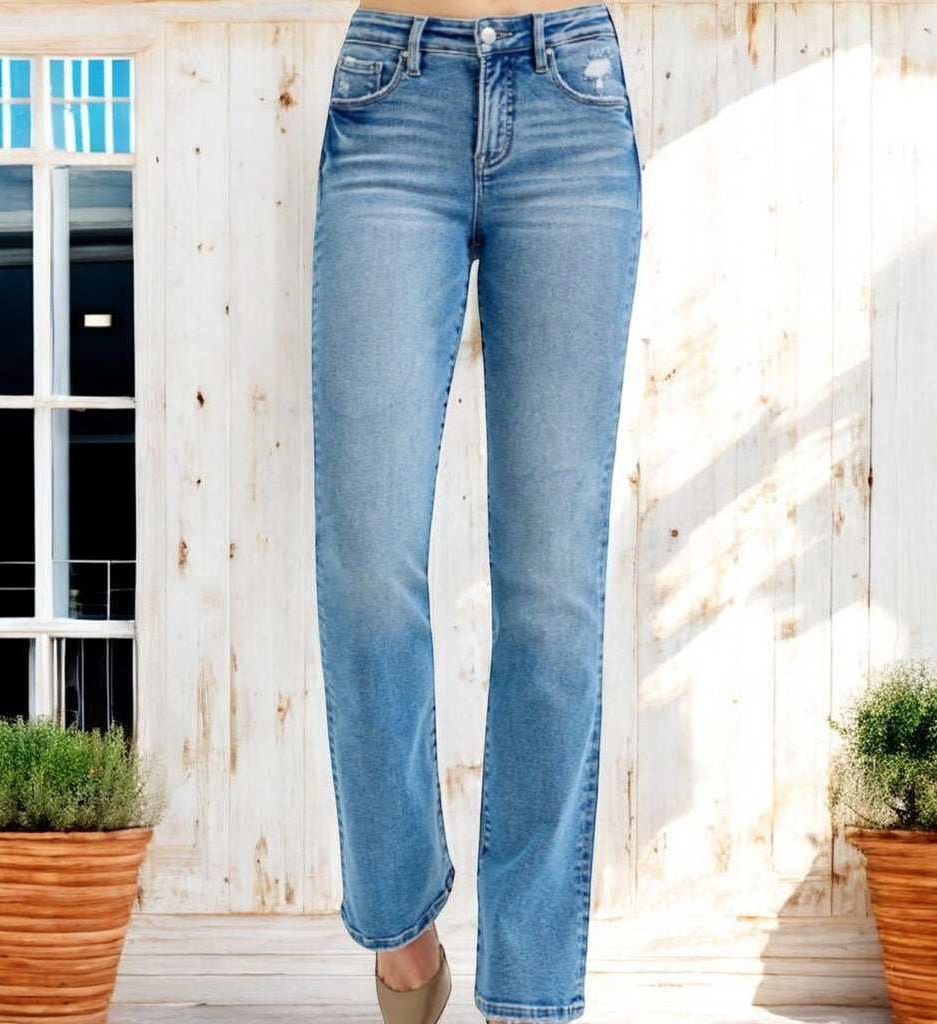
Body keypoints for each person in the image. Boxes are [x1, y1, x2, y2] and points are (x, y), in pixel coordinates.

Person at [310, 0, 641, 1019]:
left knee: (553, 597)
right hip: (392, 94)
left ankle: (530, 993)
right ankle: (400, 928)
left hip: (573, 99)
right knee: (367, 565)